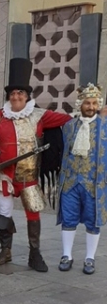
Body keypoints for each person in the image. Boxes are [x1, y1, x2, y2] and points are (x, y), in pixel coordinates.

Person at [0, 58, 71, 272]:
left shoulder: (40, 115)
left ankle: (34, 254)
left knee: (33, 213)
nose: (16, 96)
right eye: (12, 93)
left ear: (27, 96)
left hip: (29, 177)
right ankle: (5, 251)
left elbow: (67, 119)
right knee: (4, 213)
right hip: (6, 176)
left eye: (20, 93)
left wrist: (94, 117)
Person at [57, 83, 107, 275]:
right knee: (68, 219)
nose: (91, 107)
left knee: (92, 221)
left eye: (94, 103)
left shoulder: (105, 127)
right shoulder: (68, 127)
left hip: (94, 183)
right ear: (80, 104)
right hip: (70, 182)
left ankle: (89, 258)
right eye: (87, 103)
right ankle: (67, 255)